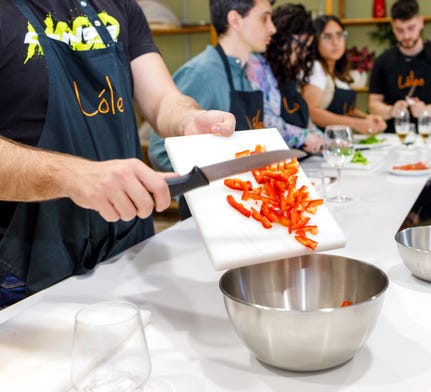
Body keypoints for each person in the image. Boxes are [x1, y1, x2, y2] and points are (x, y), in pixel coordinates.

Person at [0, 0, 235, 306]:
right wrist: (73, 175)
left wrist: (189, 118)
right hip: (30, 271)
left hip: (129, 248)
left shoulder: (120, 6)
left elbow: (163, 99)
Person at [148, 0, 276, 173]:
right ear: (235, 20)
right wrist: (210, 181)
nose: (272, 28)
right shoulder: (201, 73)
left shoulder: (245, 72)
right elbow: (159, 150)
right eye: (264, 19)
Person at [368, 0, 431, 134]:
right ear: (392, 26)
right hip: (395, 137)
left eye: (411, 28)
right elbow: (373, 103)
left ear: (421, 22)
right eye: (399, 30)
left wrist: (427, 111)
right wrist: (391, 111)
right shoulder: (383, 61)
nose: (406, 36)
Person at [246, 3, 325, 154]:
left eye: (307, 49)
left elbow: (305, 121)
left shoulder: (287, 72)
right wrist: (304, 137)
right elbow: (265, 119)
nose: (303, 54)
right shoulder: (256, 67)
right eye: (301, 46)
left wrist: (325, 140)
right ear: (283, 38)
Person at [302, 14, 387, 135]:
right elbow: (311, 112)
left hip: (339, 144)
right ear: (315, 40)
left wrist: (366, 118)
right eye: (327, 37)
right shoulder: (316, 68)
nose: (335, 42)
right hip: (319, 144)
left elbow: (345, 110)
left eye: (339, 35)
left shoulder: (337, 72)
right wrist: (355, 123)